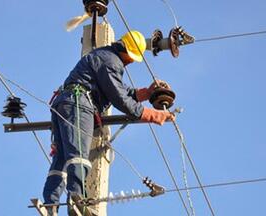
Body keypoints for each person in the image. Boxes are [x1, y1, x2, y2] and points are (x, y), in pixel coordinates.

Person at [43, 30, 174, 216]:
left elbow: (119, 90)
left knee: (63, 157)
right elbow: (120, 98)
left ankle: (51, 204)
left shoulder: (105, 56)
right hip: (79, 104)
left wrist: (147, 92)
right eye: (132, 58)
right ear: (126, 50)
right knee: (78, 154)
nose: (130, 62)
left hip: (65, 103)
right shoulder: (111, 62)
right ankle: (76, 198)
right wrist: (153, 115)